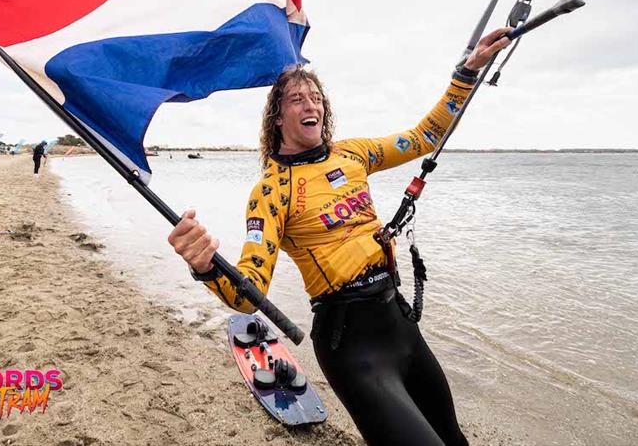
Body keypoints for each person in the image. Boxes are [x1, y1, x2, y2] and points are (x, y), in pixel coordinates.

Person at [168, 29, 511, 446]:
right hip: (351, 344)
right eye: (296, 99)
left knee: (454, 439)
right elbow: (247, 295)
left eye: (315, 97)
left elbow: (426, 137)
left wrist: (467, 72)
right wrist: (204, 266)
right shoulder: (271, 192)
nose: (310, 104)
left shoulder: (352, 154)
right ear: (277, 118)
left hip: (399, 324)